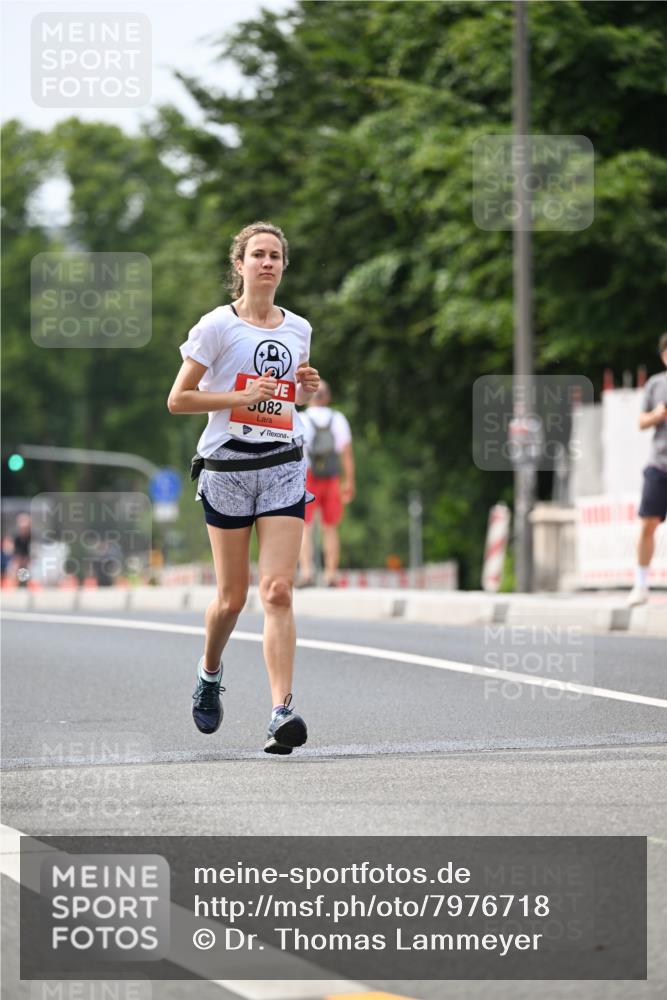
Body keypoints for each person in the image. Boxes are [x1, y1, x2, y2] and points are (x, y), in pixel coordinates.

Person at [167, 222, 320, 754]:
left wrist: (305, 388)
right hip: (227, 468)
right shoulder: (216, 326)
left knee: (277, 590)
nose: (267, 263)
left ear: (283, 265)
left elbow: (285, 399)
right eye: (258, 254)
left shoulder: (298, 327)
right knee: (231, 600)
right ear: (240, 264)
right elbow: (178, 400)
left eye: (276, 255)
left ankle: (281, 712)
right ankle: (209, 675)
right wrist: (236, 399)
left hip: (282, 463)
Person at [298, 381, 355, 587]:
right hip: (331, 476)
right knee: (330, 527)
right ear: (328, 397)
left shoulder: (302, 418)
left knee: (305, 526)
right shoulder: (338, 419)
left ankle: (307, 572)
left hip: (307, 476)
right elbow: (346, 453)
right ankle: (331, 574)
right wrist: (349, 481)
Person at [627, 332, 667, 606]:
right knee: (647, 525)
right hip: (660, 464)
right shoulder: (656, 384)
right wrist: (657, 415)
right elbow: (641, 421)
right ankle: (641, 584)